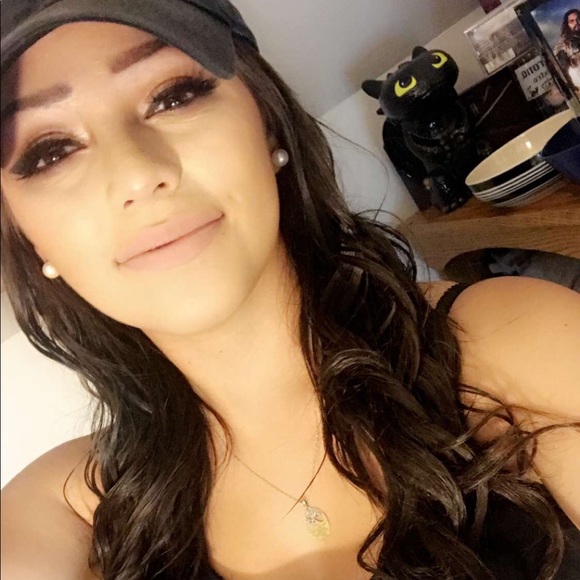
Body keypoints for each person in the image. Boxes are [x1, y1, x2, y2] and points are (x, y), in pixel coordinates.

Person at [1, 1, 579, 579]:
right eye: (50, 152)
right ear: (27, 236)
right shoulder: (66, 509)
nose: (135, 173)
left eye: (173, 96)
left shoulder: (517, 343)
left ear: (267, 121)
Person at [554, 8, 580, 93]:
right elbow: (559, 56)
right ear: (567, 24)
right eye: (572, 21)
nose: (576, 23)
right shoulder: (564, 42)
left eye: (578, 19)